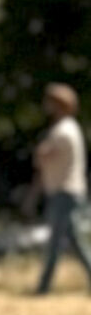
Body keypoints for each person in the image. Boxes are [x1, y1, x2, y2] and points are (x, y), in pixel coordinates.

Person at [33, 83, 91, 294]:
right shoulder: (70, 128)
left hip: (64, 192)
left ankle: (43, 287)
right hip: (67, 191)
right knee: (73, 241)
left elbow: (43, 155)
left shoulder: (63, 131)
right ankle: (44, 285)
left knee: (56, 241)